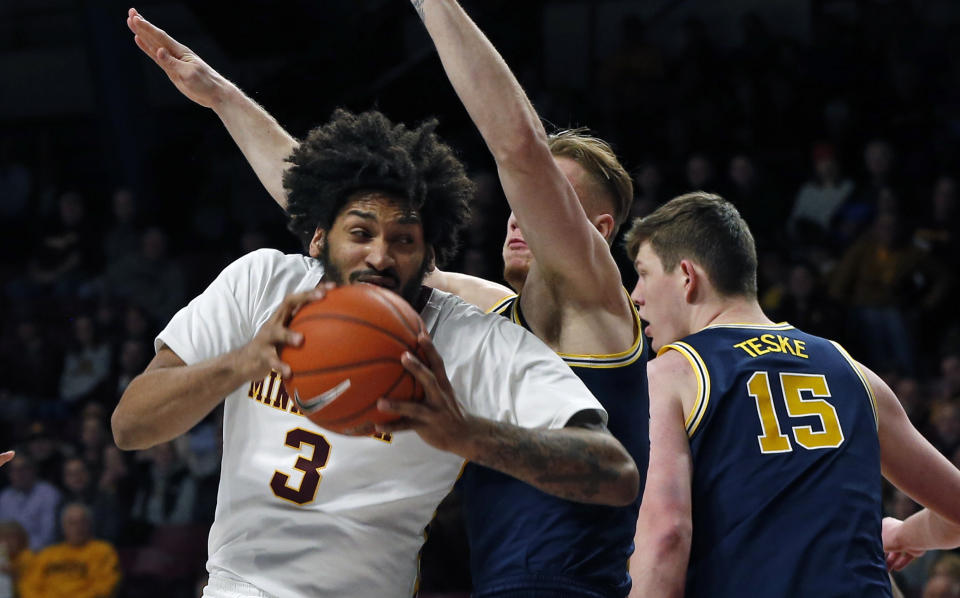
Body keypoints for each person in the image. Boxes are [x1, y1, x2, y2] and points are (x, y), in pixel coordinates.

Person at [127, 5, 649, 597]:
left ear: (598, 235)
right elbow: (340, 222)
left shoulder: (594, 310)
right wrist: (223, 97)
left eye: (547, 205)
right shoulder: (488, 311)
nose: (521, 214)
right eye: (520, 203)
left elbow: (519, 147)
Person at [624, 192, 960, 597]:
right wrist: (908, 534)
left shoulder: (672, 375)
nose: (635, 295)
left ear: (686, 276)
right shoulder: (852, 370)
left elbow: (666, 536)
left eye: (642, 273)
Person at [18, 503, 120, 598]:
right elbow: (29, 585)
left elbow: (105, 587)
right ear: (63, 527)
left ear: (90, 525)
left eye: (82, 522)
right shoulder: (48, 553)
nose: (78, 527)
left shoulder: (103, 551)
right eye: (72, 523)